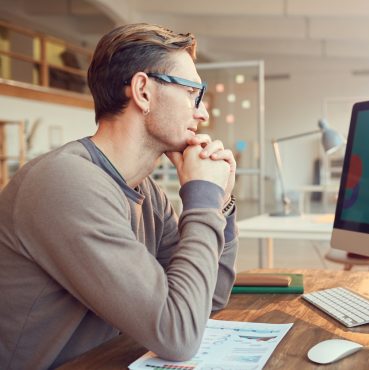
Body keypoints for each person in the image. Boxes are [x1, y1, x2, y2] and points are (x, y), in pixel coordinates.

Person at [0, 23, 238, 370]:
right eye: (192, 94)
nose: (202, 113)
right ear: (143, 91)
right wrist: (202, 197)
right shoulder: (66, 183)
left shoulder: (146, 192)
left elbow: (207, 299)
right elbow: (179, 336)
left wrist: (221, 204)